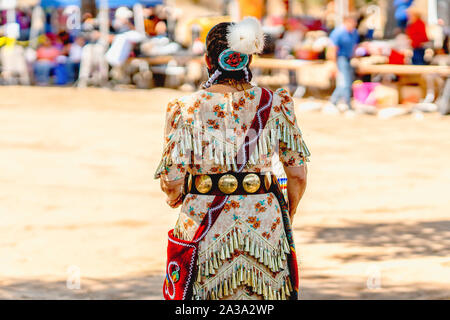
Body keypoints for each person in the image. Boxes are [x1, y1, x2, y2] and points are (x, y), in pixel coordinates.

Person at [155, 17, 310, 300]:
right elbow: (297, 174)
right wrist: (287, 210)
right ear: (246, 59)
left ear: (208, 60)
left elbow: (172, 179)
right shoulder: (275, 102)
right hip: (264, 222)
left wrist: (176, 197)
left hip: (202, 220)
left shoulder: (185, 108)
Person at [326, 14, 359, 112]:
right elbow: (332, 50)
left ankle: (333, 101)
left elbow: (354, 46)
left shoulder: (354, 33)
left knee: (346, 82)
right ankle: (346, 104)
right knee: (345, 82)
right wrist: (333, 64)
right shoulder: (338, 33)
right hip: (340, 58)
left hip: (348, 59)